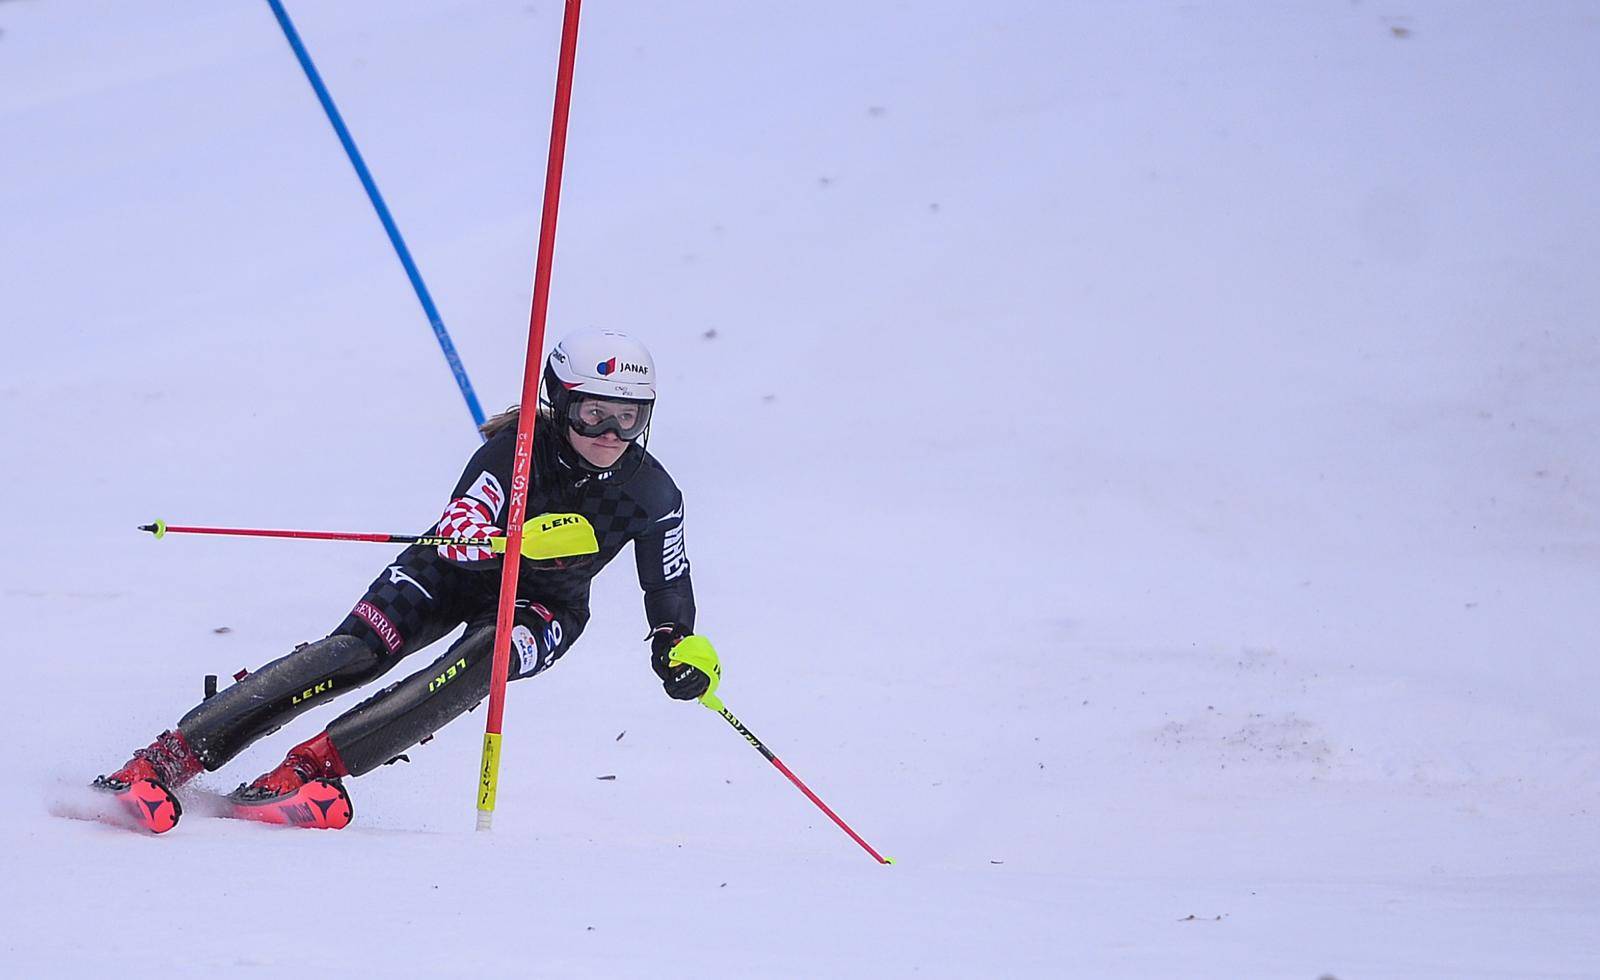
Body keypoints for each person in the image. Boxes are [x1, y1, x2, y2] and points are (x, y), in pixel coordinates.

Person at [97, 329, 714, 825]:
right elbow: (463, 519)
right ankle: (165, 760)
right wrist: (500, 543)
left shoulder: (653, 492)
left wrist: (676, 644)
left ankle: (310, 771)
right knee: (354, 653)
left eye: (627, 420)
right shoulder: (517, 450)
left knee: (484, 659)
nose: (608, 435)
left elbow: (666, 583)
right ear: (561, 404)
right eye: (592, 414)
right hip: (449, 569)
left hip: (546, 608)